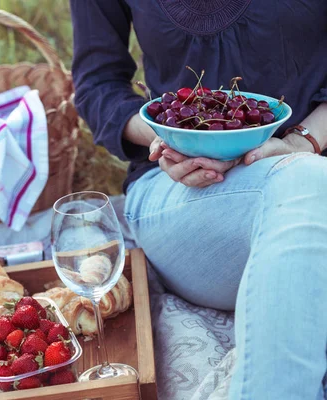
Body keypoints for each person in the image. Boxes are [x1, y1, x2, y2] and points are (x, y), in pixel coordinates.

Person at [69, 1, 327, 399]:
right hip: (178, 195)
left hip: (314, 177)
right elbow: (97, 85)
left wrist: (302, 142)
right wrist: (166, 137)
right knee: (306, 179)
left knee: (306, 176)